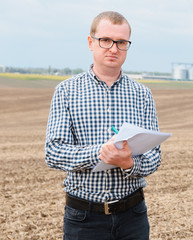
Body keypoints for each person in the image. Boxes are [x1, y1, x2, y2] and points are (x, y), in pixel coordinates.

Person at [45, 11, 161, 240]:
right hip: (84, 219)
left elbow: (154, 156)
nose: (114, 48)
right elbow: (53, 152)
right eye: (106, 40)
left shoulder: (143, 95)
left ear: (128, 45)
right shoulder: (66, 91)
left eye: (121, 42)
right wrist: (101, 153)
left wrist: (129, 163)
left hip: (133, 217)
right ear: (91, 42)